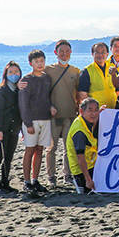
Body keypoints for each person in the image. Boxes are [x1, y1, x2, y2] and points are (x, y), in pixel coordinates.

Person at [43, 39, 80, 188]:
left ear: (71, 53)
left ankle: (67, 175)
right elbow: (41, 92)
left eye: (67, 51)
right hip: (53, 116)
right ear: (55, 53)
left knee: (68, 147)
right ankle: (51, 176)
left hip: (70, 114)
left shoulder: (76, 71)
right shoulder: (48, 70)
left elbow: (79, 94)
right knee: (51, 148)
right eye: (61, 51)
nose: (64, 54)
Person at [19, 49, 55, 195]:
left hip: (45, 119)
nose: (40, 64)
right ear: (30, 63)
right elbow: (23, 103)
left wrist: (51, 107)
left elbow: (47, 97)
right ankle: (26, 181)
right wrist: (27, 124)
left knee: (40, 150)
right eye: (36, 62)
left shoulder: (47, 78)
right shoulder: (26, 80)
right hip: (31, 121)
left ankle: (35, 180)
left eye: (42, 61)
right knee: (29, 150)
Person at [0, 61, 22, 193]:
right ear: (5, 74)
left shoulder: (19, 91)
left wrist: (22, 129)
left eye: (16, 72)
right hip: (1, 129)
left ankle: (5, 182)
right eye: (11, 72)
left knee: (9, 157)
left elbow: (21, 111)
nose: (14, 74)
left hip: (14, 129)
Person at [66, 98, 100, 194]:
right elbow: (80, 158)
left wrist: (101, 112)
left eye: (96, 110)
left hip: (92, 163)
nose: (93, 113)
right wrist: (88, 180)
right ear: (81, 111)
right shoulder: (79, 131)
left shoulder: (85, 121)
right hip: (82, 171)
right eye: (90, 110)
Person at [78, 42, 117, 109]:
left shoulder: (112, 68)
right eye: (97, 52)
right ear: (92, 54)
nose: (100, 55)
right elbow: (83, 95)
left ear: (107, 54)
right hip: (96, 113)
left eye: (103, 52)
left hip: (112, 110)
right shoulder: (86, 71)